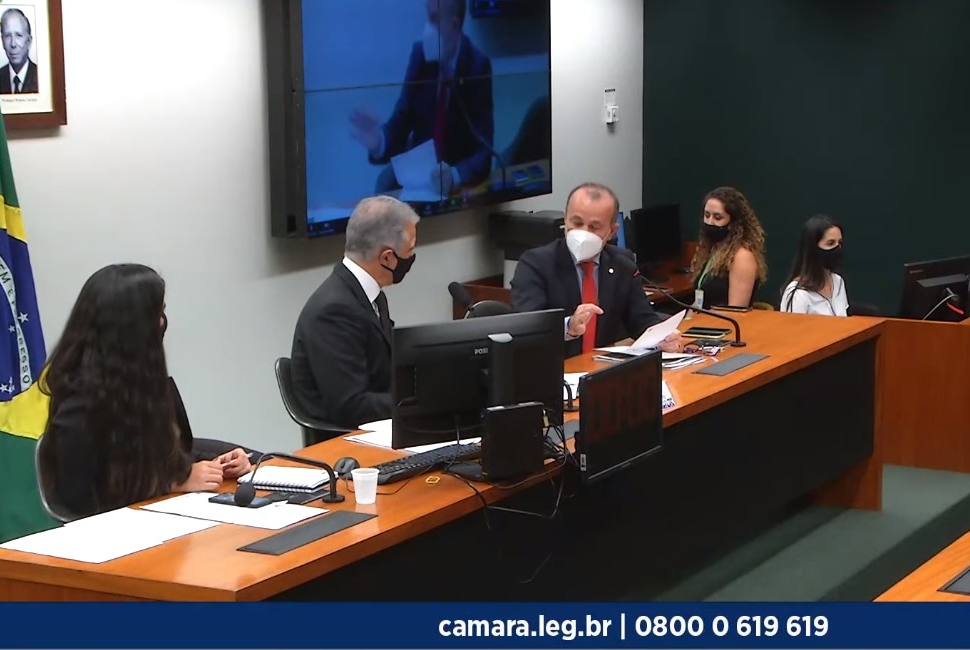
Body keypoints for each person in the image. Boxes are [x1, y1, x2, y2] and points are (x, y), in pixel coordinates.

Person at [38, 265, 255, 520]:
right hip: (113, 531)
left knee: (255, 460)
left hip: (161, 516)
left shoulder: (142, 385)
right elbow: (81, 500)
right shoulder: (78, 409)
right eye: (156, 314)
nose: (162, 322)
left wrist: (218, 464)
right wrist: (172, 483)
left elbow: (167, 452)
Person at [511, 182, 682, 357]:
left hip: (601, 366)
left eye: (594, 227)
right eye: (577, 222)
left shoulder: (622, 263)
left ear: (612, 231)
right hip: (553, 366)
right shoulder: (536, 263)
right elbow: (528, 328)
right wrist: (568, 327)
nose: (583, 233)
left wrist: (662, 337)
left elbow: (641, 319)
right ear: (565, 220)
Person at [291, 196, 419, 429]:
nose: (412, 257)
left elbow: (385, 371)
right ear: (387, 258)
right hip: (345, 440)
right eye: (410, 250)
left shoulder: (372, 295)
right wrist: (420, 402)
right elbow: (351, 406)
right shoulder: (333, 312)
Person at [348, 0, 493, 198]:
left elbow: (484, 153)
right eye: (427, 16)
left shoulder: (477, 65)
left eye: (434, 19)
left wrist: (454, 175)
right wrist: (378, 141)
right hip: (421, 179)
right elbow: (401, 122)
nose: (427, 27)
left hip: (457, 185)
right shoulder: (420, 56)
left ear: (454, 24)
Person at [691, 186, 768, 309]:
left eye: (717, 217)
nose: (710, 222)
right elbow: (700, 303)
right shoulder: (713, 249)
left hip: (721, 321)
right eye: (707, 215)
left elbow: (735, 310)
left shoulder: (742, 256)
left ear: (733, 222)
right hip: (702, 317)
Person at [781, 215, 850, 316]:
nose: (837, 248)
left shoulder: (838, 282)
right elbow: (792, 326)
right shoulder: (798, 294)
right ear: (813, 248)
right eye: (830, 243)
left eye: (839, 243)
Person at [0, 8, 40, 95]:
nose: (13, 44)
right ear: (2, 41)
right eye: (8, 36)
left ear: (29, 41)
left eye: (19, 35)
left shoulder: (40, 76)